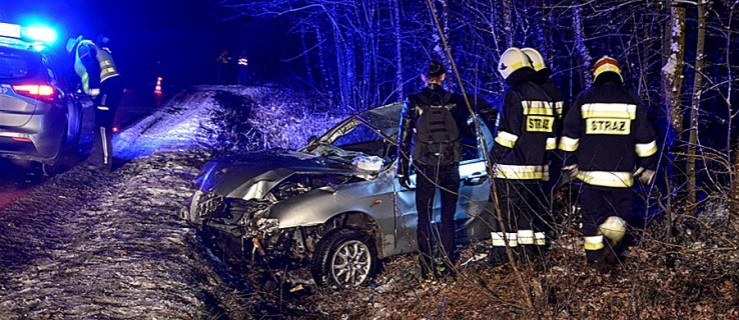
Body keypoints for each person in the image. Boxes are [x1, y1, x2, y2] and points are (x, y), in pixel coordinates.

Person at [558, 56, 658, 272]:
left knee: (592, 218)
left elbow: (569, 136)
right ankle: (613, 253)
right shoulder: (631, 100)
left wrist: (569, 163)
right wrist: (647, 166)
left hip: (589, 176)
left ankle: (594, 262)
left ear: (596, 75)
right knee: (619, 217)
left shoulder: (584, 99)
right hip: (622, 177)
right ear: (618, 74)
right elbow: (646, 139)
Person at [397, 60, 474, 279]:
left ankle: (426, 267)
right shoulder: (456, 102)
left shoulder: (413, 101)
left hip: (425, 165)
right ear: (443, 76)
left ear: (423, 77)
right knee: (448, 216)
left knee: (425, 216)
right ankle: (449, 264)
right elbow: (467, 134)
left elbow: (403, 137)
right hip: (450, 164)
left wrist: (402, 169)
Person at [488, 47, 557, 266]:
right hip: (535, 168)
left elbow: (509, 134)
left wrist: (493, 158)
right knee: (528, 214)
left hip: (511, 168)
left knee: (505, 216)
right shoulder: (543, 95)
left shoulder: (514, 94)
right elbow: (550, 137)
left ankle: (502, 258)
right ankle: (530, 257)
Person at [521, 47, 565, 250]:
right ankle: (540, 245)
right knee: (539, 202)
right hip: (551, 155)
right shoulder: (554, 91)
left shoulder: (534, 93)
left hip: (538, 156)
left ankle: (536, 246)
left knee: (532, 204)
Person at [66, 35, 122, 172]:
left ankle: (104, 163)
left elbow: (92, 68)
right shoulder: (91, 46)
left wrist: (95, 90)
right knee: (99, 125)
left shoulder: (82, 47)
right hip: (110, 86)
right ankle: (98, 158)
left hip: (106, 87)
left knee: (102, 126)